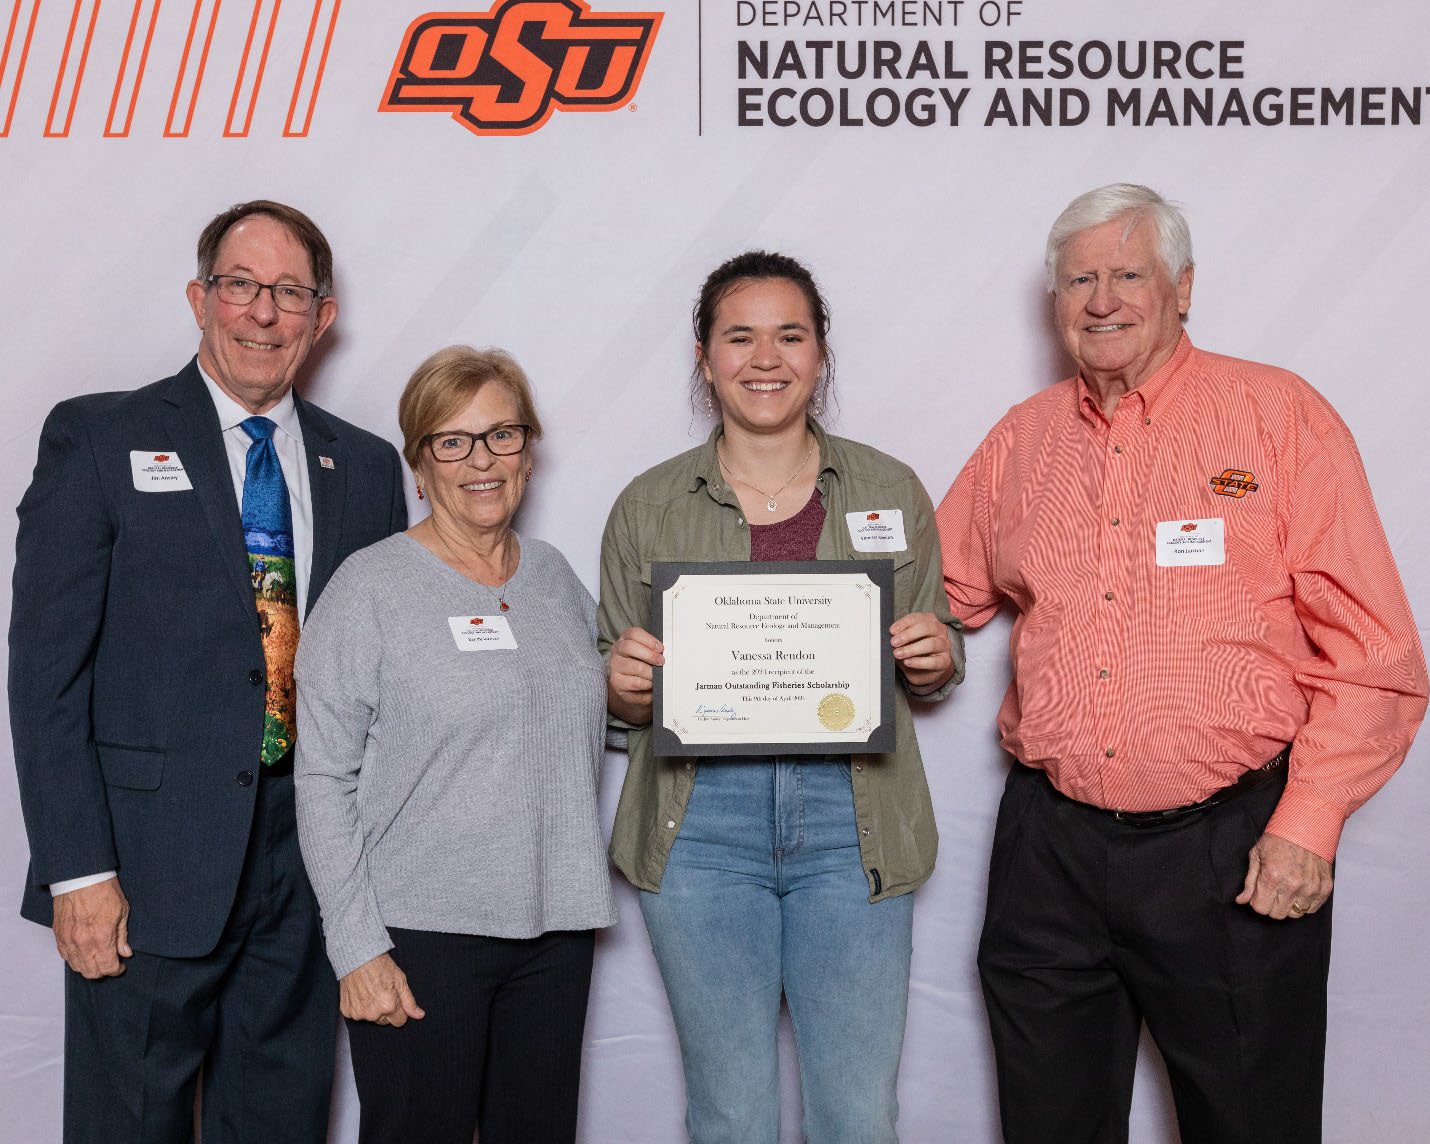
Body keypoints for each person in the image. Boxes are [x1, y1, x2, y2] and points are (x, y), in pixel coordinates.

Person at [935, 183, 1428, 1143]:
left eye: (1129, 273)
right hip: (1049, 850)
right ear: (1055, 302)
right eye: (1080, 278)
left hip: (1232, 846)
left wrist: (1310, 822)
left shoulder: (1279, 416)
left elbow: (1378, 651)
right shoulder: (1021, 441)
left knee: (1252, 1125)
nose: (1103, 298)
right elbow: (938, 590)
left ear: (1184, 288)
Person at [8, 200, 408, 1142]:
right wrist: (78, 872)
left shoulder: (365, 466)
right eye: (240, 286)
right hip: (144, 866)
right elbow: (44, 678)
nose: (262, 314)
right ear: (200, 298)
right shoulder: (100, 439)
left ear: (324, 315)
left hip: (306, 863)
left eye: (289, 293)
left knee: (281, 1122)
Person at [600, 251, 963, 1144]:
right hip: (701, 829)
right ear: (703, 356)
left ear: (821, 352)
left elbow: (938, 652)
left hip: (855, 821)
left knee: (858, 1113)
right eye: (740, 336)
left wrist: (934, 654)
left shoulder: (890, 490)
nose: (767, 358)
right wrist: (624, 685)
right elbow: (616, 684)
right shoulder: (648, 505)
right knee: (731, 1114)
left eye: (790, 335)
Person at [294, 345, 618, 1144]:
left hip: (556, 931)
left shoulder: (552, 578)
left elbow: (593, 718)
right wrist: (357, 948)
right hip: (418, 938)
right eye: (453, 440)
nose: (482, 460)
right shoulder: (368, 589)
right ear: (419, 465)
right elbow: (322, 779)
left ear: (529, 452)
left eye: (503, 435)